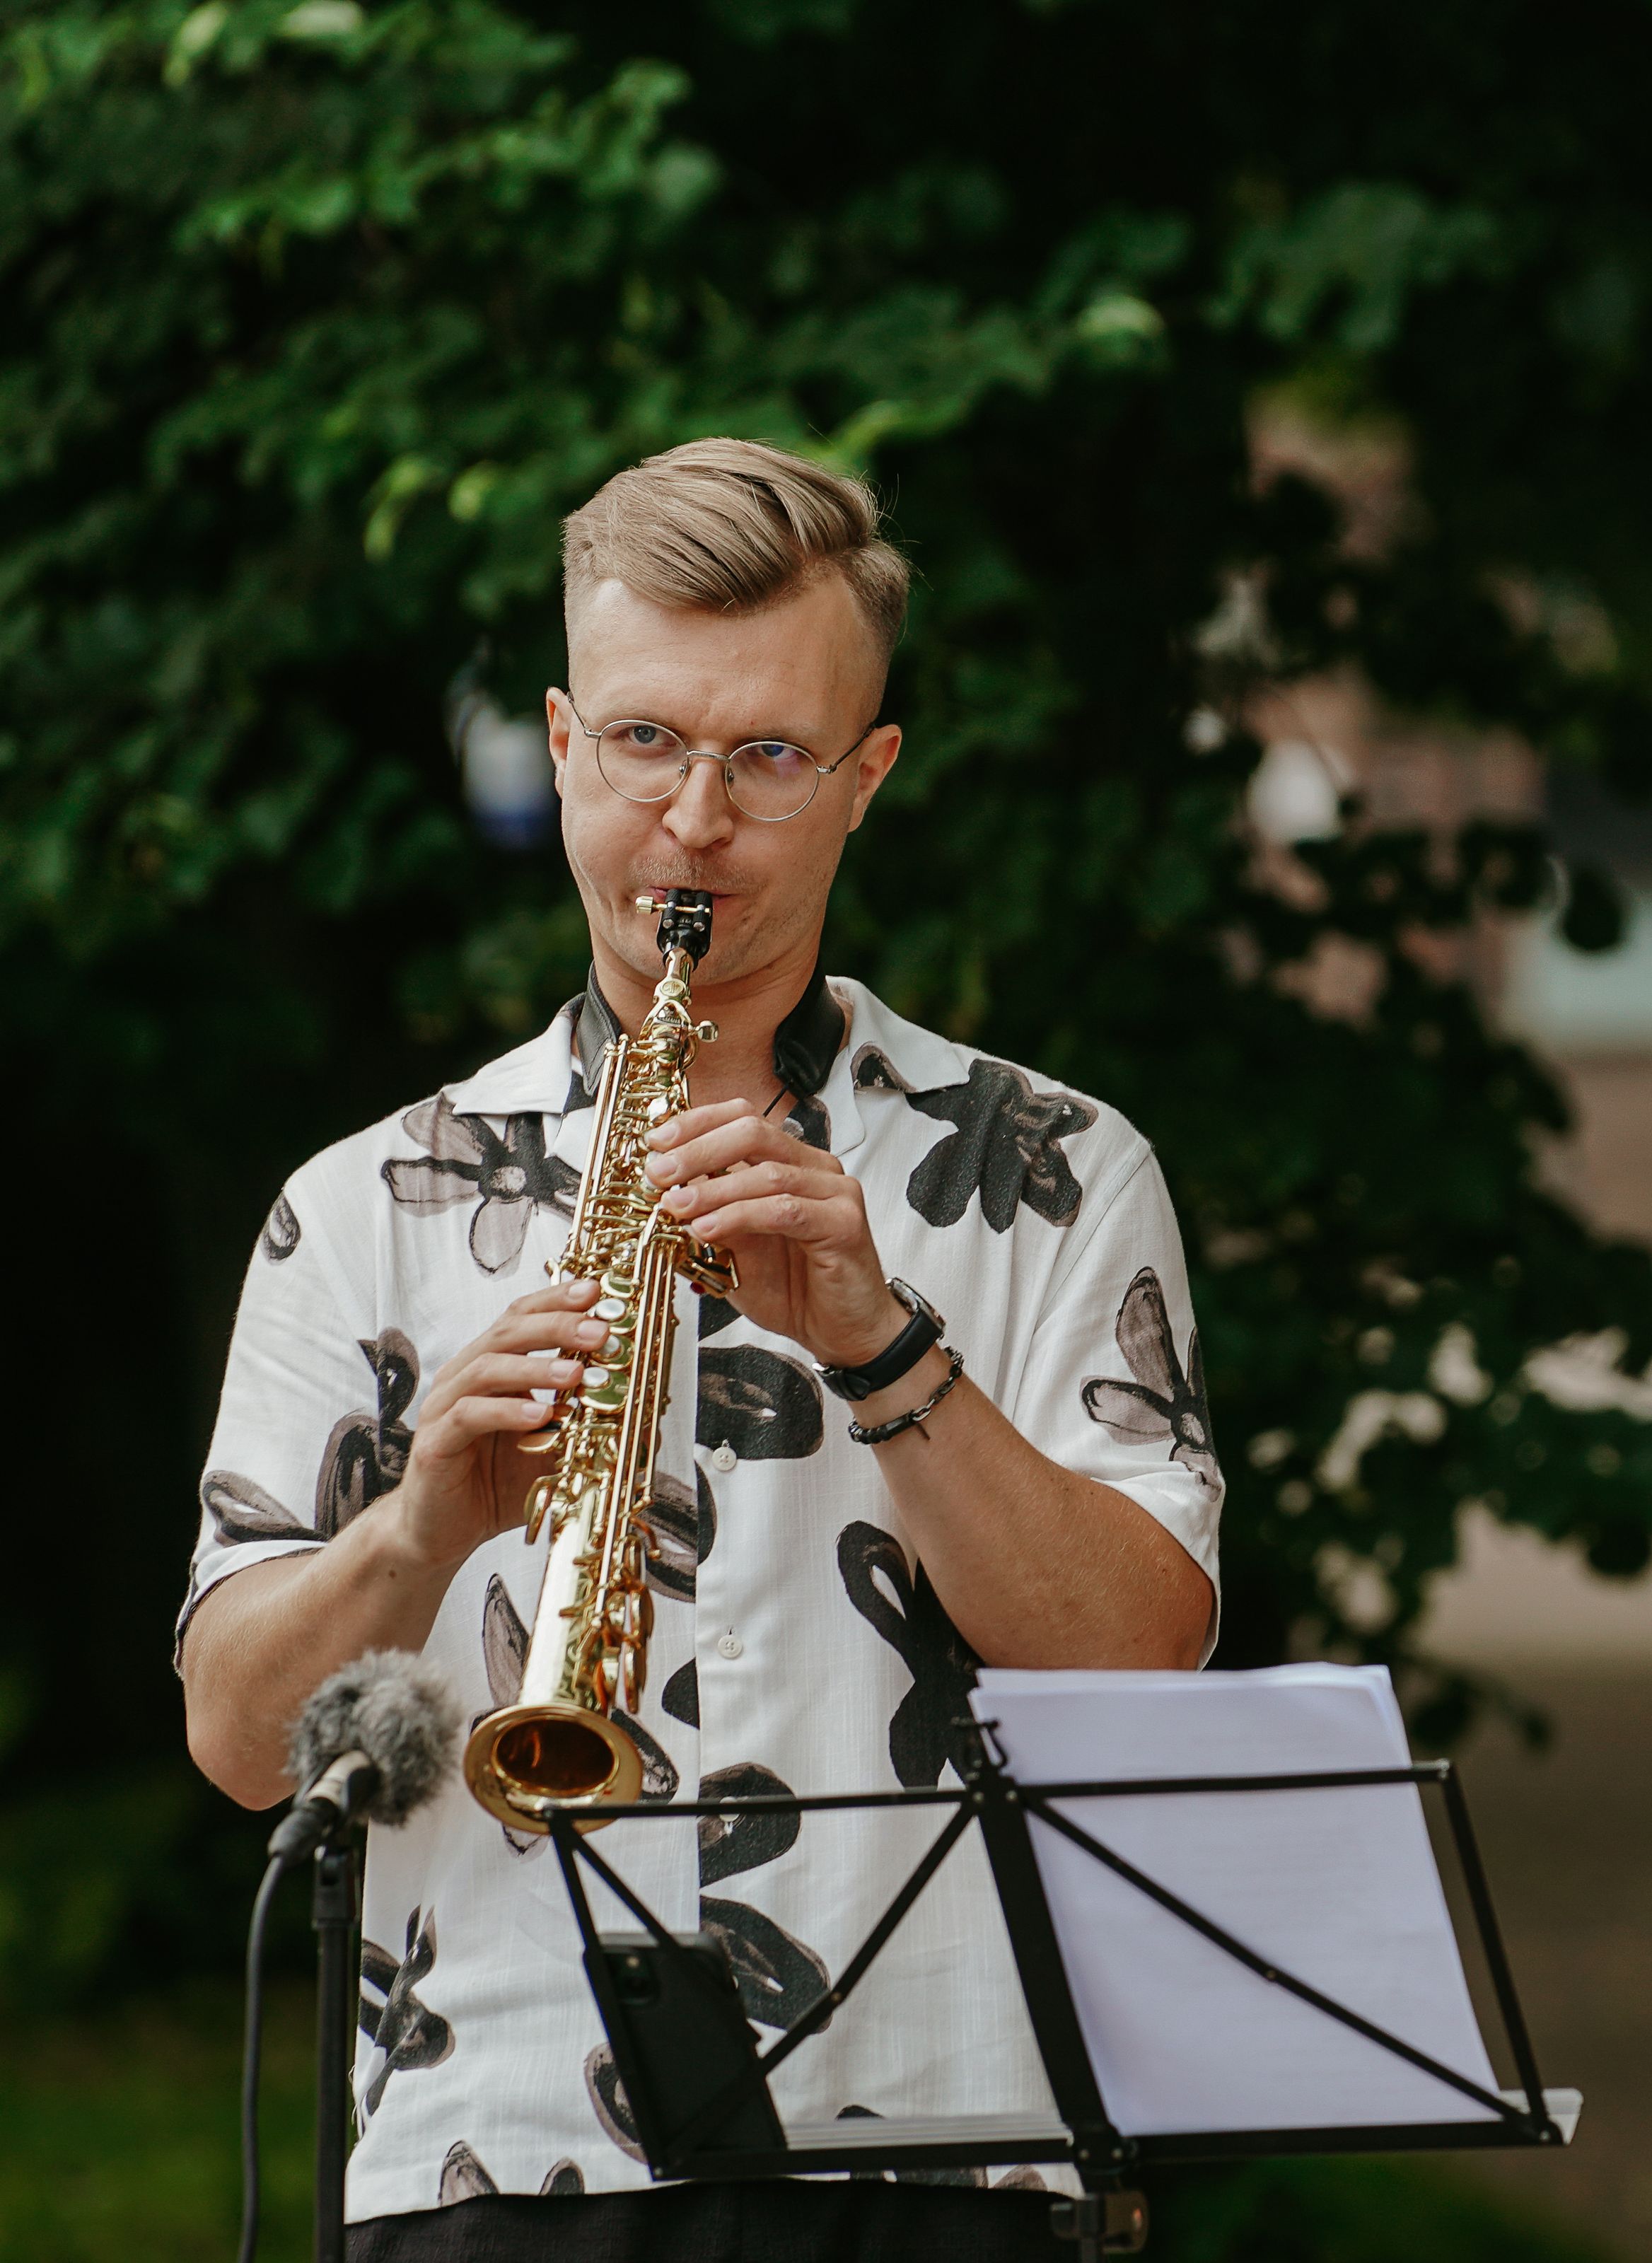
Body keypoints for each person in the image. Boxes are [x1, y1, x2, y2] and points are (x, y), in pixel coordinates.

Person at [180, 438, 1221, 2259]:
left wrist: (887, 1347)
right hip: (496, 2156)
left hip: (941, 2146)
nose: (694, 820)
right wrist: (419, 1529)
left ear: (864, 780)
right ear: (568, 746)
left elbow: (1143, 1661)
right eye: (648, 744)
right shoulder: (359, 1207)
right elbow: (237, 1739)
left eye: (768, 758)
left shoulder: (1057, 1175)